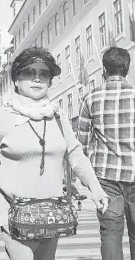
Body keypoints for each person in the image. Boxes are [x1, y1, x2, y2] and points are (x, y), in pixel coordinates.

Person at [0, 46, 109, 260]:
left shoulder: (58, 116)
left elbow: (76, 156)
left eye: (43, 74)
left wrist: (97, 190)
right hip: (15, 215)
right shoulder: (0, 118)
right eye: (29, 73)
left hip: (52, 214)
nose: (37, 79)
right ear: (16, 80)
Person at [77, 47, 135, 260]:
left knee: (110, 233)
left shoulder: (90, 98)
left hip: (105, 179)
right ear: (127, 69)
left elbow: (80, 145)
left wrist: (86, 179)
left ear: (104, 70)